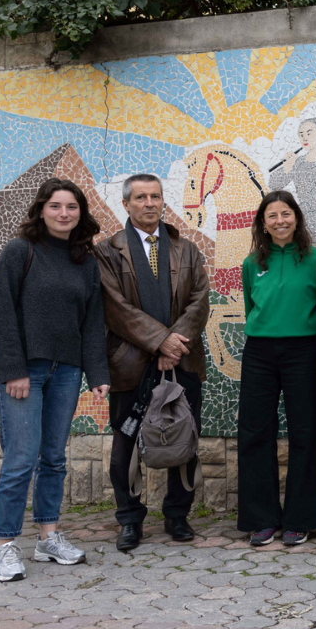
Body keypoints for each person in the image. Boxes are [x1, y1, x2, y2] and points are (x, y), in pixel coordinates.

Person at [0, 178, 110, 582]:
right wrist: (14, 370)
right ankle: (4, 546)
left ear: (80, 213)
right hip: (26, 371)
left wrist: (98, 375)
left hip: (67, 371)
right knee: (20, 459)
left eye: (71, 207)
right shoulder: (20, 251)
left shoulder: (84, 260)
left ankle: (47, 537)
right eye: (55, 206)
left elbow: (92, 323)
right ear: (41, 210)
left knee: (54, 458)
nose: (63, 213)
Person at [97, 173, 210, 552]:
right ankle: (130, 520)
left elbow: (200, 300)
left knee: (184, 437)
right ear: (126, 204)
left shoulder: (186, 248)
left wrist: (173, 345)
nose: (149, 203)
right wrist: (161, 341)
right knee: (125, 443)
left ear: (163, 201)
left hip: (184, 359)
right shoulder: (109, 251)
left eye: (156, 197)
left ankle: (178, 516)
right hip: (131, 363)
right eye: (141, 197)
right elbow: (115, 307)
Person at [237, 191, 316, 547]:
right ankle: (262, 519)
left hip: (303, 350)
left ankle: (300, 519)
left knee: (304, 432)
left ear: (297, 218)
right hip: (259, 351)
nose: (279, 221)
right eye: (271, 216)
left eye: (286, 214)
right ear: (263, 223)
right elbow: (250, 305)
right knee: (256, 432)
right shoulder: (251, 262)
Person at [270, 117, 316, 246]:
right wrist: (287, 168)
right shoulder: (297, 163)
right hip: (303, 216)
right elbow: (274, 185)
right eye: (301, 135)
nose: (304, 138)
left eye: (309, 133)